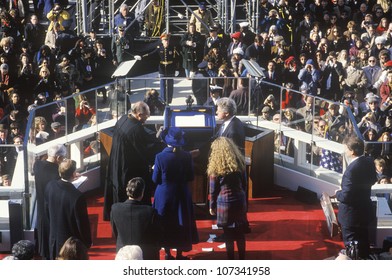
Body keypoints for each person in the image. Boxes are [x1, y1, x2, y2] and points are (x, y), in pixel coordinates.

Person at [104, 101, 162, 220]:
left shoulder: (124, 119)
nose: (148, 117)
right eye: (146, 115)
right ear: (139, 115)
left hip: (117, 162)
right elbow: (144, 150)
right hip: (127, 167)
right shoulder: (135, 130)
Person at [152, 127, 199, 260]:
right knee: (181, 220)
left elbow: (155, 179)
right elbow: (190, 177)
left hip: (164, 194)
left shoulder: (160, 157)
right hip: (182, 193)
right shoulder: (186, 156)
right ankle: (179, 254)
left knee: (165, 221)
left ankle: (167, 253)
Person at [335, 136, 377, 259]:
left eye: (346, 149)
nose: (344, 151)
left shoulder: (351, 171)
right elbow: (373, 180)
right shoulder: (369, 161)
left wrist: (338, 193)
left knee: (352, 246)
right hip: (364, 212)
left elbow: (346, 196)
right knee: (364, 243)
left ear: (352, 151)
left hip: (351, 216)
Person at [207, 137, 247, 260]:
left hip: (225, 203)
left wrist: (211, 206)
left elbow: (213, 191)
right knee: (240, 234)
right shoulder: (240, 163)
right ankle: (242, 260)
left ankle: (231, 260)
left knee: (228, 235)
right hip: (240, 200)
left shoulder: (216, 168)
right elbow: (244, 184)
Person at [44, 159, 92, 260]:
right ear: (74, 174)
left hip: (53, 238)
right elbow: (82, 223)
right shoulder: (77, 196)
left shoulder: (50, 186)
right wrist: (87, 242)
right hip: (69, 244)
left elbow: (47, 211)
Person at [110, 177, 160, 260]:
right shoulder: (150, 212)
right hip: (146, 254)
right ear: (142, 193)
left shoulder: (115, 209)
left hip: (123, 253)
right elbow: (156, 235)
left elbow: (115, 231)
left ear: (127, 190)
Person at [33, 144, 67, 259]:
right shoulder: (56, 174)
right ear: (58, 158)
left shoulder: (37, 165)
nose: (63, 160)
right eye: (63, 158)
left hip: (41, 209)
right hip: (53, 211)